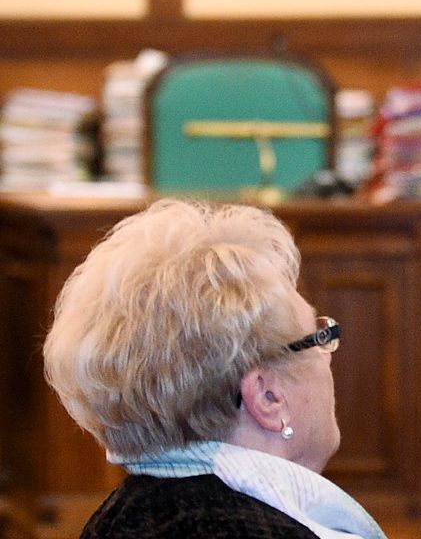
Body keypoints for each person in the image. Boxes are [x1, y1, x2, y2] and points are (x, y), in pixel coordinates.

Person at [42, 199, 386, 539]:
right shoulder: (246, 528)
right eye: (318, 338)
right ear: (267, 396)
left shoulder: (121, 516)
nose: (328, 356)